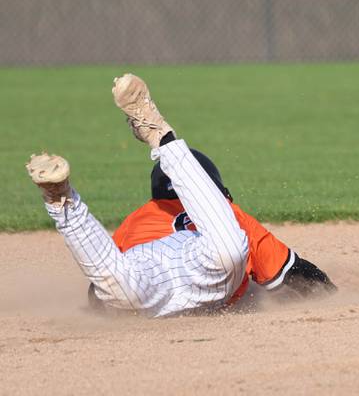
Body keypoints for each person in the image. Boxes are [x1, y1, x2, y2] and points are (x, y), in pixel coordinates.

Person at [26, 73, 335, 317]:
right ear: (215, 190)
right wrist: (334, 294)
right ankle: (161, 136)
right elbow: (296, 276)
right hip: (206, 273)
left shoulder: (137, 220)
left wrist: (104, 307)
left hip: (146, 284)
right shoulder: (230, 212)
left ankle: (60, 199)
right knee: (229, 250)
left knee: (117, 283)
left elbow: (99, 290)